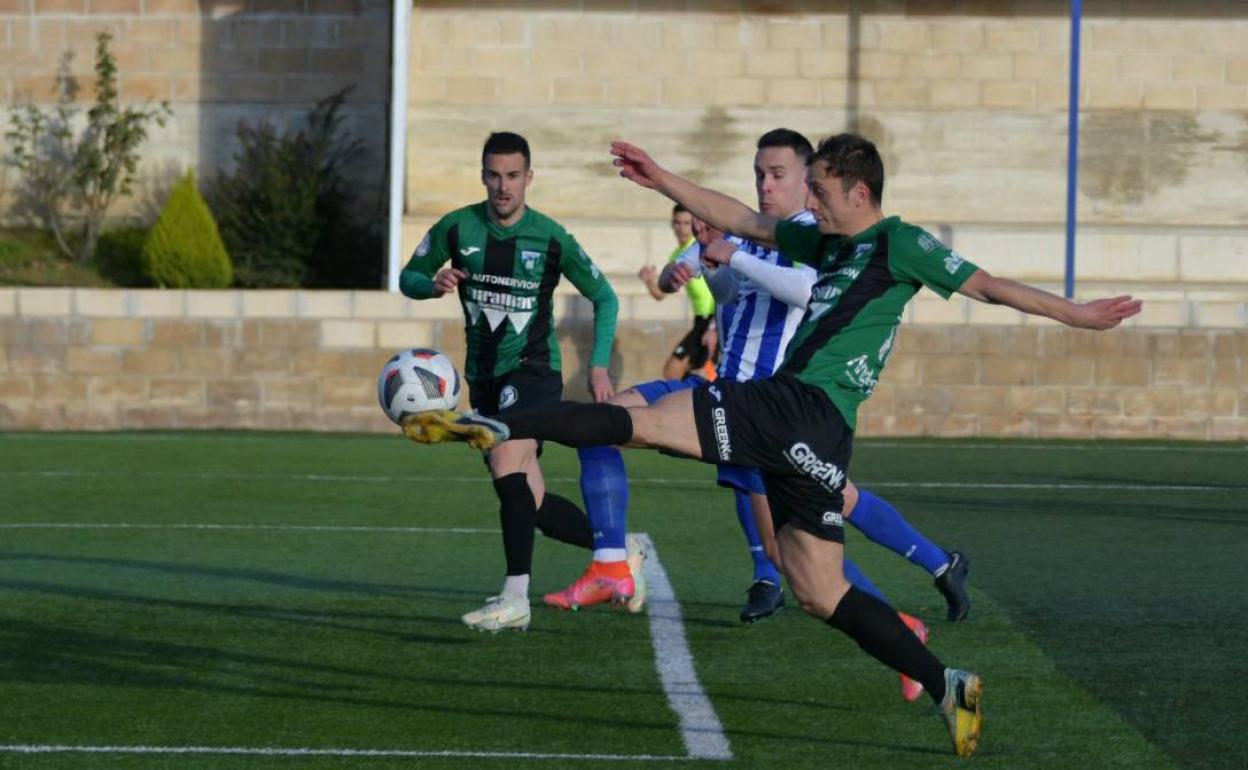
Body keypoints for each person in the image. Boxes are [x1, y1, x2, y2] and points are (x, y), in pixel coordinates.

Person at [404, 133, 1142, 756]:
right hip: (818, 431)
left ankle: (502, 425)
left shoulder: (898, 241)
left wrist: (1077, 314)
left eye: (819, 189)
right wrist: (661, 178)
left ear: (857, 188)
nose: (808, 202)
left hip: (793, 407)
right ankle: (948, 683)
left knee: (642, 421)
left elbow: (989, 285)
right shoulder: (824, 242)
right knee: (819, 590)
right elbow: (745, 220)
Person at [398, 131, 620, 633]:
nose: (504, 186)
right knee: (528, 499)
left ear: (528, 178)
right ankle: (619, 547)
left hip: (535, 371)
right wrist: (431, 285)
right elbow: (408, 276)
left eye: (513, 176)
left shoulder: (551, 238)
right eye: (495, 175)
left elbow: (606, 297)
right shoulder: (457, 227)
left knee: (504, 459)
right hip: (484, 377)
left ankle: (515, 595)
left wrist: (600, 365)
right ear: (483, 176)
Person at [638, 204, 718, 380]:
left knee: (673, 370)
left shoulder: (698, 247)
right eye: (677, 223)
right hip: (700, 321)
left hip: (713, 318)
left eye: (686, 223)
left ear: (695, 224)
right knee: (685, 373)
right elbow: (661, 294)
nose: (681, 228)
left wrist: (714, 327)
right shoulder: (677, 254)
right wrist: (649, 281)